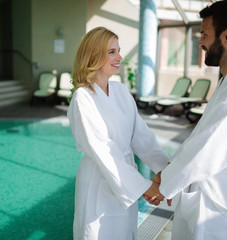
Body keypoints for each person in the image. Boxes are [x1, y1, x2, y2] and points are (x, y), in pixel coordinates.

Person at [145, 0, 227, 239]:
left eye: (204, 34)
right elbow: (201, 139)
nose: (200, 42)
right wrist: (168, 176)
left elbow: (203, 153)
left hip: (214, 214)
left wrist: (162, 185)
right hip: (213, 202)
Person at [67, 26, 170, 240]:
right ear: (94, 55)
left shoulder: (122, 91)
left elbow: (142, 137)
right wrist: (145, 187)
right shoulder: (83, 98)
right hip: (98, 182)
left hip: (125, 181)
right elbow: (104, 151)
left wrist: (166, 172)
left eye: (118, 50)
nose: (120, 57)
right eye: (112, 52)